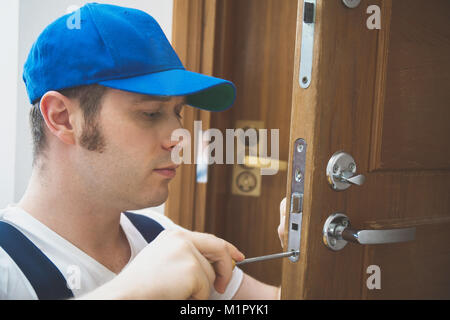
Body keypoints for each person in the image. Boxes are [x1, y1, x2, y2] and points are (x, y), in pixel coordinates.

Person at [0, 3, 284, 300]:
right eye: (150, 113)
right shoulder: (7, 267)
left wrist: (314, 257)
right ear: (62, 118)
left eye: (178, 112)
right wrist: (134, 291)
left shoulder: (160, 237)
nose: (179, 138)